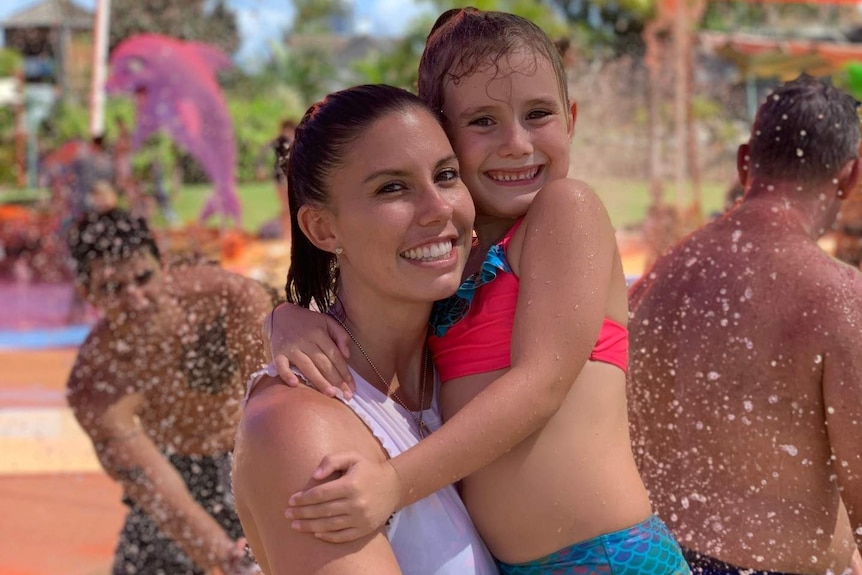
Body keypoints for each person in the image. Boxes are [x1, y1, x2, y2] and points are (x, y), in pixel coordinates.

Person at [265, 8, 689, 574]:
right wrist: (286, 319)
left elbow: (541, 385)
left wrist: (394, 482)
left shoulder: (568, 212)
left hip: (610, 558)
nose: (517, 144)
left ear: (572, 119)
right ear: (441, 132)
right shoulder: (452, 263)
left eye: (538, 114)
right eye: (483, 122)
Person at [232, 84, 497, 575]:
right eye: (391, 188)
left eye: (446, 175)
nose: (439, 208)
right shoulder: (300, 426)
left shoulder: (478, 362)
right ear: (323, 230)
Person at [627, 75, 862, 574]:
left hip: (655, 558)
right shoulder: (839, 297)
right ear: (849, 176)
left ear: (744, 162)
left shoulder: (659, 277)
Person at [65, 208, 272, 575]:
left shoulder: (226, 299)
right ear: (86, 293)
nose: (136, 299)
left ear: (162, 263)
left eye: (143, 278)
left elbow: (279, 406)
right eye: (114, 289)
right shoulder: (97, 382)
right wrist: (227, 557)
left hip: (254, 457)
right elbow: (152, 484)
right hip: (175, 472)